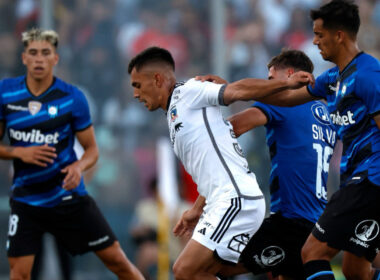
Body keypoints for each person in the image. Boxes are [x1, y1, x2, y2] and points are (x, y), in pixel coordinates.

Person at [198, 1, 380, 279]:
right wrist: (232, 89)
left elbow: (237, 125)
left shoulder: (368, 74)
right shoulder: (331, 81)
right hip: (347, 187)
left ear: (339, 35)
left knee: (312, 253)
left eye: (319, 34)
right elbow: (285, 97)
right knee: (354, 269)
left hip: (367, 180)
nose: (315, 41)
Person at [127, 46, 313, 279]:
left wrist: (286, 83)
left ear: (156, 79)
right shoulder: (176, 113)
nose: (135, 94)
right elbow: (215, 165)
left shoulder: (188, 91)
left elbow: (236, 91)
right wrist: (196, 209)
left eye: (137, 85)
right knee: (205, 272)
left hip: (235, 200)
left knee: (184, 269)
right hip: (222, 201)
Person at [0, 28, 144, 280]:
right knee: (20, 274)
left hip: (68, 197)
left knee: (117, 260)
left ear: (55, 59)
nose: (39, 59)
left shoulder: (73, 98)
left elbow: (92, 150)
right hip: (27, 200)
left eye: (45, 53)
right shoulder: (6, 93)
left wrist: (78, 167)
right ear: (24, 58)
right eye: (33, 53)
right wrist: (20, 153)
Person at [220, 50, 336, 280]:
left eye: (271, 79)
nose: (267, 86)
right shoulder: (327, 113)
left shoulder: (284, 103)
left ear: (290, 75)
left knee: (212, 267)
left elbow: (231, 129)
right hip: (317, 220)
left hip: (290, 221)